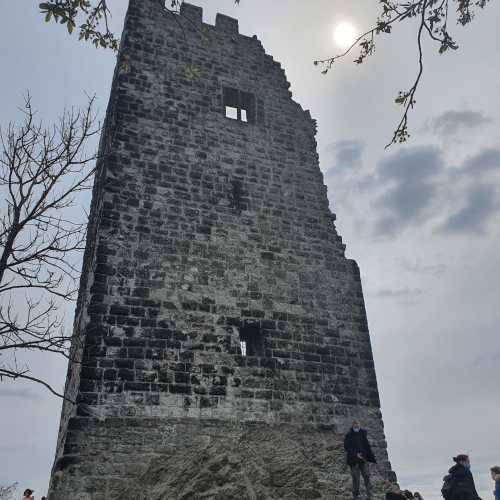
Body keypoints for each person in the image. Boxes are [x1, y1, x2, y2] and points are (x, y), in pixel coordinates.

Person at [344, 420, 376, 500]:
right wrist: (356, 455)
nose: (356, 425)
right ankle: (356, 496)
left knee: (367, 476)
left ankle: (370, 495)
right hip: (353, 461)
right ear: (352, 425)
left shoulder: (363, 434)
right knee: (356, 479)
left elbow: (367, 447)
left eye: (357, 424)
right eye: (355, 424)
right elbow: (347, 447)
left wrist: (368, 457)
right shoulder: (349, 435)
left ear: (359, 425)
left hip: (363, 460)